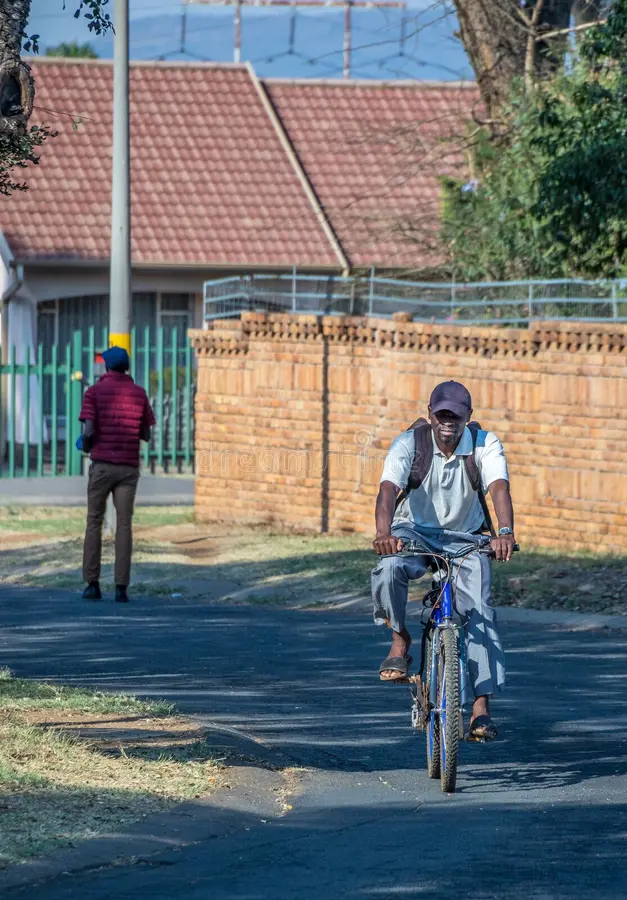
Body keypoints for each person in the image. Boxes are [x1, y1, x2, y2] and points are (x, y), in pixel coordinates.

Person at [371, 380, 515, 740]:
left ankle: (480, 709)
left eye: (456, 414)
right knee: (389, 568)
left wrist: (506, 532)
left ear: (469, 416)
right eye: (442, 414)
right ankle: (400, 639)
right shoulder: (409, 443)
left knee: (479, 611)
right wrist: (384, 533)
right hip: (414, 532)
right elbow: (388, 488)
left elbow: (498, 486)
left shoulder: (484, 444)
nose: (448, 421)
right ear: (430, 415)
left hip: (466, 538)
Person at [78, 346, 155, 603]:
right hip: (128, 469)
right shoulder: (139, 394)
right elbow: (146, 434)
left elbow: (88, 432)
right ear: (127, 367)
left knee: (94, 521)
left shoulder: (93, 393)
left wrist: (87, 445)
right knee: (124, 525)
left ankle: (92, 584)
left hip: (101, 466)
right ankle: (121, 587)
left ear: (107, 367)